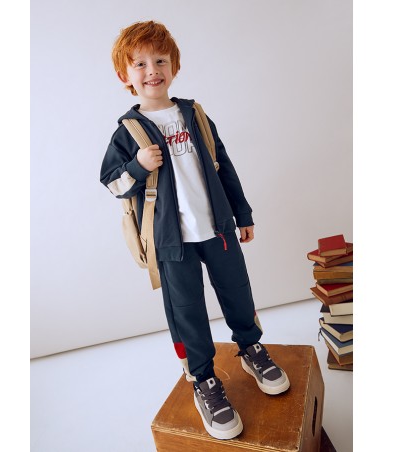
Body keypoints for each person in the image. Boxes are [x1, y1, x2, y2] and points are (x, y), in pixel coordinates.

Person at [100, 20, 290, 440]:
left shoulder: (194, 114)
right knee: (186, 312)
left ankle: (251, 348)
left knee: (237, 292)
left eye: (160, 60)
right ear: (124, 76)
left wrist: (242, 214)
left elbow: (223, 165)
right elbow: (113, 183)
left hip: (217, 228)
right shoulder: (127, 133)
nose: (152, 70)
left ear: (175, 66)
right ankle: (203, 379)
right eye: (140, 64)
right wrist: (138, 166)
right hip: (171, 242)